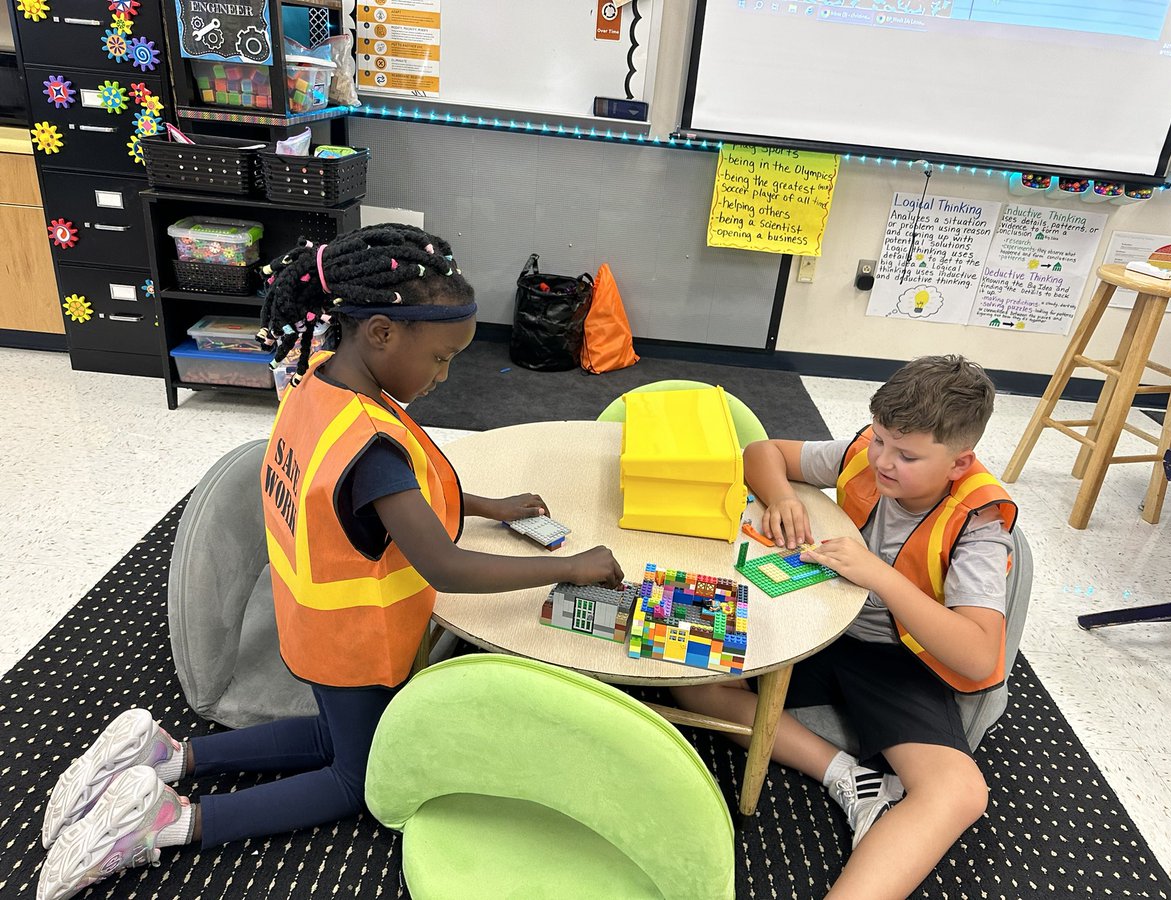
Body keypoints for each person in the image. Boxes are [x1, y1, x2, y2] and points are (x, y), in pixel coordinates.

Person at [37, 225, 624, 900]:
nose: (443, 376)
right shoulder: (373, 450)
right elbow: (446, 567)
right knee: (357, 780)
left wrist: (489, 504)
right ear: (380, 332)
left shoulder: (321, 386)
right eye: (440, 358)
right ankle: (172, 821)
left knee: (332, 734)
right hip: (352, 641)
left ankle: (165, 754)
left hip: (308, 624)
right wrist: (570, 567)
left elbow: (398, 492)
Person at [673, 354, 1015, 899]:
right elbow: (761, 452)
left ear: (959, 462)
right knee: (687, 665)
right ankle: (849, 780)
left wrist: (877, 574)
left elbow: (977, 654)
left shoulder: (980, 522)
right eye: (880, 439)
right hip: (819, 620)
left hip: (897, 657)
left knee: (959, 792)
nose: (883, 461)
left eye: (906, 455)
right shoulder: (865, 451)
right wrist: (783, 496)